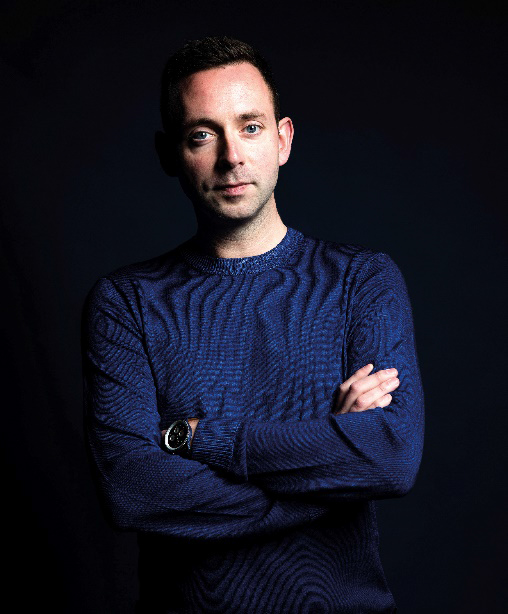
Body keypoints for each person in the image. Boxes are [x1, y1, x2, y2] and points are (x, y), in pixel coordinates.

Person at [81, 35, 424, 614]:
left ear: (283, 139)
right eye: (202, 135)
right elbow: (132, 489)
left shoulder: (361, 281)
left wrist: (198, 439)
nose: (231, 156)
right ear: (169, 154)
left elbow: (389, 456)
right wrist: (328, 462)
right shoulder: (126, 303)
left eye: (251, 127)